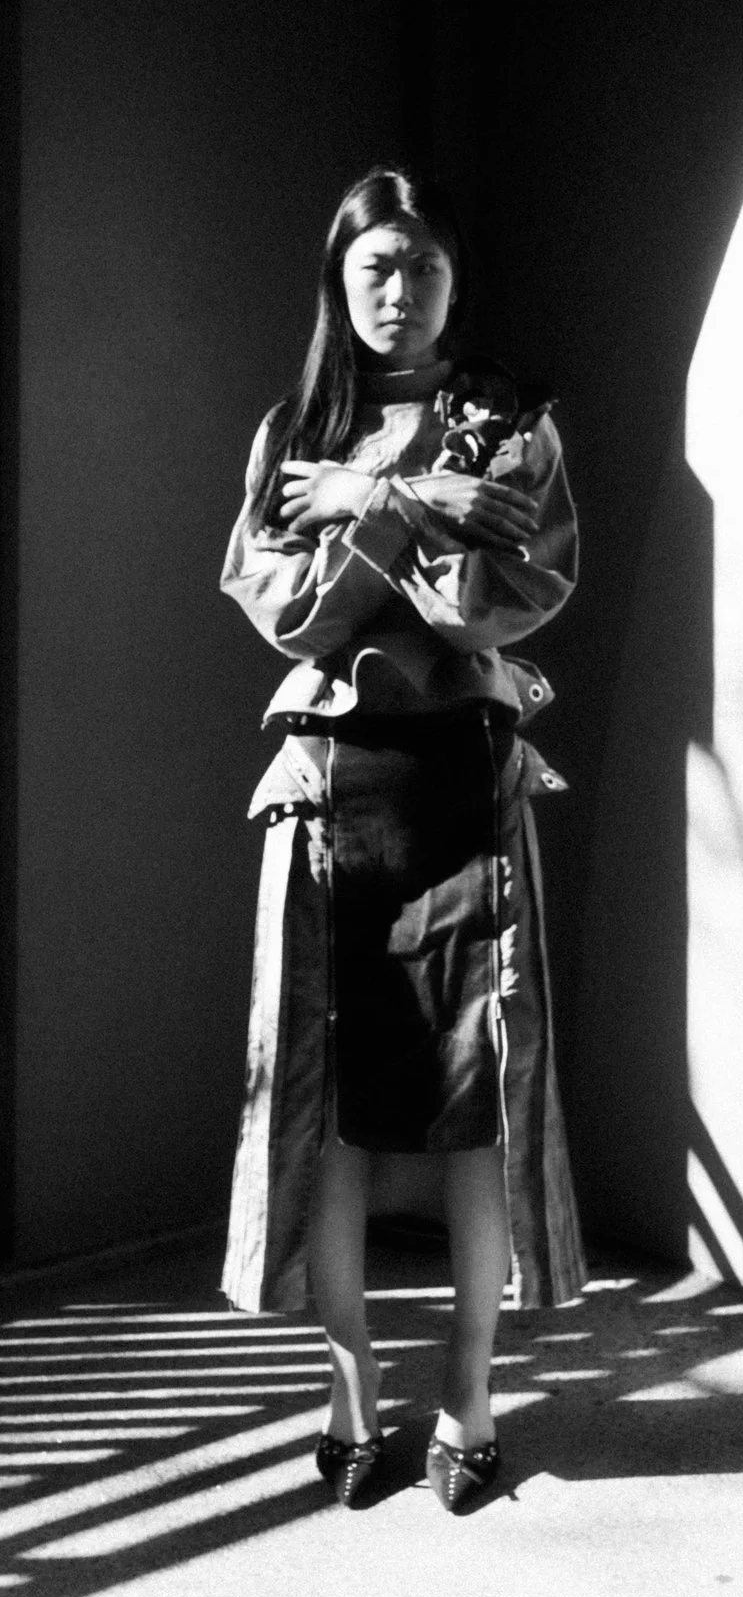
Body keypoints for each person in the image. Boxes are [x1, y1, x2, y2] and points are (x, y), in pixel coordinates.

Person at [219, 165, 586, 1513]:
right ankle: (352, 1401)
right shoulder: (288, 434)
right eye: (374, 269)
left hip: (469, 793)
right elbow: (300, 618)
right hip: (330, 796)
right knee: (334, 1122)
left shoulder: (510, 428)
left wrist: (381, 502)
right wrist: (427, 505)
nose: (399, 292)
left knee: (480, 1108)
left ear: (452, 283)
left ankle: (471, 1408)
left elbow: (506, 601)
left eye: (421, 269)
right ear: (340, 282)